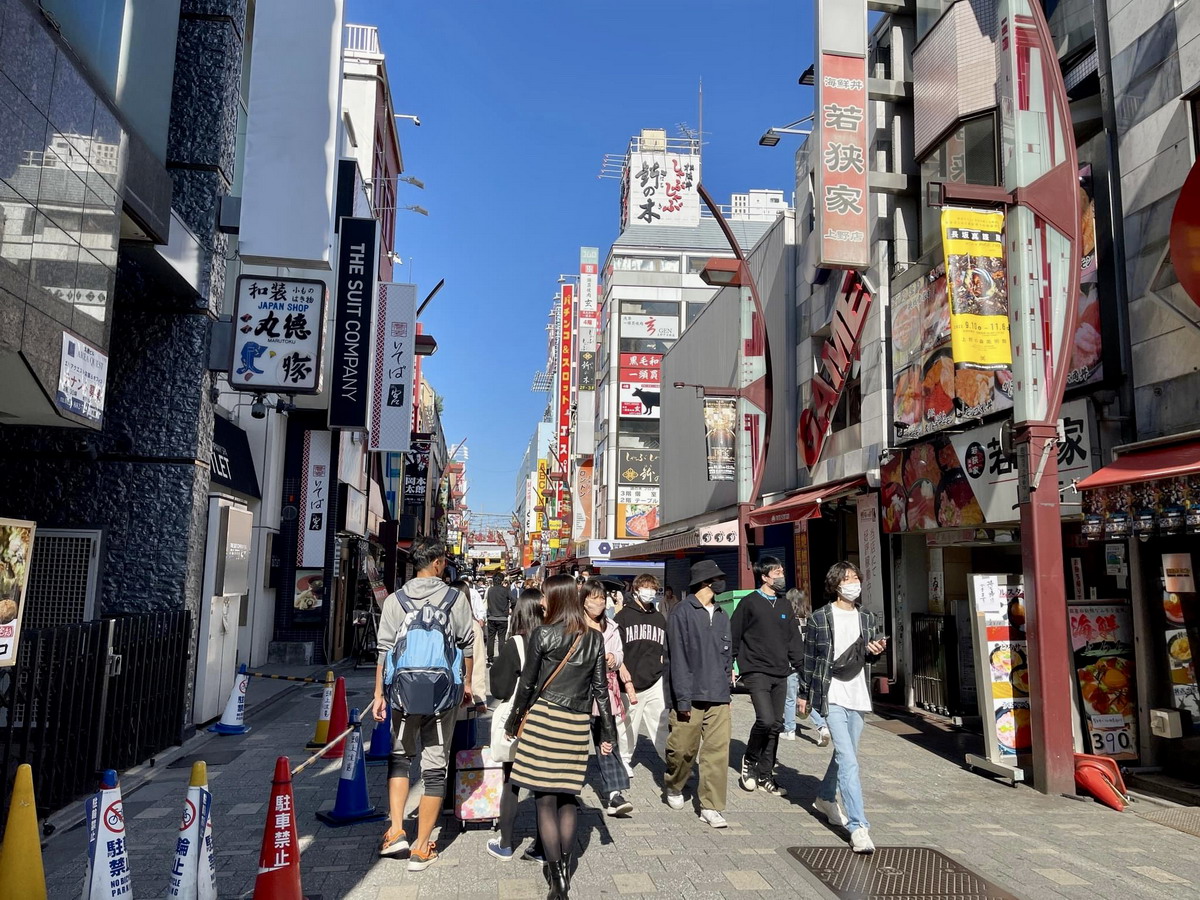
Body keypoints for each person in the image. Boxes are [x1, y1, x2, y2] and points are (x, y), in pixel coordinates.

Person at [505, 574, 617, 898]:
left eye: (544, 595)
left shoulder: (543, 634)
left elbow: (527, 684)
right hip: (577, 722)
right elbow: (601, 690)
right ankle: (566, 869)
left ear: (555, 598)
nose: (541, 601)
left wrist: (514, 721)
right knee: (568, 795)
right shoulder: (594, 638)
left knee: (544, 798)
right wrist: (606, 732)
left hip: (543, 719)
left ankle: (557, 879)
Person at [372, 537, 475, 871]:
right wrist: (467, 685)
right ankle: (422, 845)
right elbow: (467, 645)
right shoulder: (454, 598)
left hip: (401, 693)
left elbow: (384, 650)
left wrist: (378, 694)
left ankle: (397, 831)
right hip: (443, 694)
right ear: (439, 563)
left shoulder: (395, 600)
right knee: (435, 767)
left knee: (400, 759)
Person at [797, 561, 887, 854]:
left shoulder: (867, 617)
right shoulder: (820, 618)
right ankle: (858, 826)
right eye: (847, 579)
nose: (853, 583)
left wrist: (875, 651)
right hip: (832, 693)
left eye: (856, 578)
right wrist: (803, 694)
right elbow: (808, 658)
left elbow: (866, 658)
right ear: (835, 584)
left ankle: (825, 796)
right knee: (849, 761)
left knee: (844, 754)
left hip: (858, 693)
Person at [662, 559, 733, 829]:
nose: (720, 583)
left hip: (718, 695)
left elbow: (727, 660)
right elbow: (677, 658)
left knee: (717, 752)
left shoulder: (723, 615)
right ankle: (674, 784)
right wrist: (681, 699)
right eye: (716, 579)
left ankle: (711, 806)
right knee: (682, 750)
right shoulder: (682, 612)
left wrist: (728, 697)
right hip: (689, 695)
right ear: (705, 582)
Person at [731, 556, 804, 797]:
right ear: (764, 577)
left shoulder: (784, 605)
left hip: (780, 671)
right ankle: (750, 761)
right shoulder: (749, 603)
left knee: (775, 725)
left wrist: (802, 668)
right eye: (777, 572)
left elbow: (793, 639)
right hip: (755, 670)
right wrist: (729, 664)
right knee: (765, 719)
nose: (781, 576)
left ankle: (766, 774)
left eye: (782, 571)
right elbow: (734, 634)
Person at [487, 589, 545, 861]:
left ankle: (506, 843)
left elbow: (499, 688)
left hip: (519, 721)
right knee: (544, 786)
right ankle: (545, 847)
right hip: (547, 719)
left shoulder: (516, 644)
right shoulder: (553, 640)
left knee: (512, 781)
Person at [579, 578, 633, 816]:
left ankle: (614, 794)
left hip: (606, 693)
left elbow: (620, 654)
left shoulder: (611, 626)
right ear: (583, 601)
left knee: (607, 740)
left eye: (602, 598)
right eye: (594, 598)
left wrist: (614, 658)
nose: (599, 603)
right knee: (574, 742)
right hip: (579, 692)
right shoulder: (574, 626)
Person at [614, 573, 669, 778]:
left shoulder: (659, 618)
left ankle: (671, 761)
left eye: (653, 588)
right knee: (627, 725)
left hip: (655, 679)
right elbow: (616, 647)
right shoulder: (623, 617)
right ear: (636, 590)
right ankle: (624, 761)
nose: (650, 592)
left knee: (661, 724)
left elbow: (664, 646)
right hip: (630, 681)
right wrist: (622, 672)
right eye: (646, 588)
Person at [782, 588, 830, 745]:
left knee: (790, 699)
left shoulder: (788, 621)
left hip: (791, 664)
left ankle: (789, 730)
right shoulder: (810, 619)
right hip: (808, 665)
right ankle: (822, 727)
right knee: (807, 698)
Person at [456, 578, 489, 711]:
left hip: (441, 694)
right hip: (465, 693)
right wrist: (480, 698)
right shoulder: (472, 626)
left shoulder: (440, 621)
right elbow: (478, 663)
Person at [486, 573, 513, 664]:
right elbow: (514, 600)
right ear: (501, 581)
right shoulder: (506, 590)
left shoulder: (490, 590)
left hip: (491, 616)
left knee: (491, 639)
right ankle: (501, 657)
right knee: (501, 639)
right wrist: (510, 609)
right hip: (502, 617)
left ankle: (490, 658)